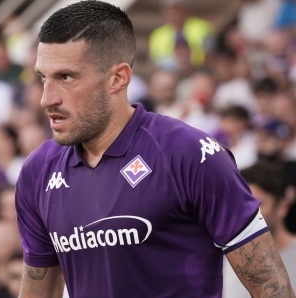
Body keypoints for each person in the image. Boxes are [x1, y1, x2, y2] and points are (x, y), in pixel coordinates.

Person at [15, 1, 294, 297]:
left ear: (118, 78)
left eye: (65, 77)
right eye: (43, 78)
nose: (46, 98)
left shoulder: (189, 154)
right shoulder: (38, 172)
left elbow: (273, 290)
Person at [223, 162, 296, 297]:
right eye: (240, 206)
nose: (245, 214)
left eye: (255, 206)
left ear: (282, 208)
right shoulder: (225, 260)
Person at [149, 0, 214, 67]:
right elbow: (153, 63)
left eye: (176, 9)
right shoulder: (157, 34)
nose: (173, 12)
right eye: (169, 10)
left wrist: (188, 59)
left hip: (198, 68)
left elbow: (211, 55)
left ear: (185, 9)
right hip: (168, 72)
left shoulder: (202, 27)